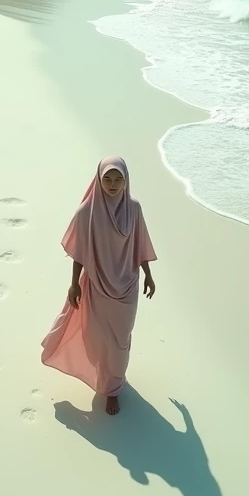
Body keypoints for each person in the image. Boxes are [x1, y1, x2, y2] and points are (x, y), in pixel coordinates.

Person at [41, 157, 156, 415]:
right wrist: (74, 284)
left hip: (127, 287)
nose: (113, 184)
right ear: (98, 178)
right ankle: (107, 383)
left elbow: (140, 245)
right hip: (97, 285)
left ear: (126, 180)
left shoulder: (134, 209)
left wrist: (148, 274)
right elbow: (79, 253)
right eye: (107, 178)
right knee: (98, 338)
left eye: (118, 179)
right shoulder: (86, 212)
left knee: (120, 341)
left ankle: (112, 389)